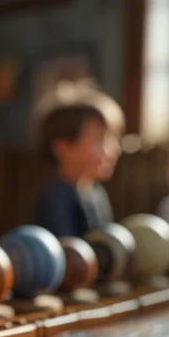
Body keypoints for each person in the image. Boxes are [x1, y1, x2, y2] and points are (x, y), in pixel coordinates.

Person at [32, 80, 124, 238]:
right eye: (99, 140)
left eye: (112, 139)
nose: (112, 150)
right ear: (62, 148)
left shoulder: (97, 193)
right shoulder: (56, 199)